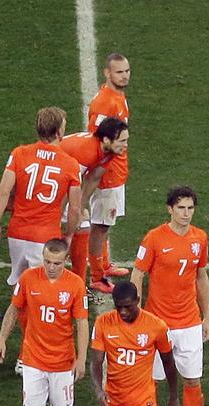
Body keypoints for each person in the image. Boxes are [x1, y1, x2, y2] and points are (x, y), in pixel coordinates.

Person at [0, 107, 82, 375]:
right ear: (59, 130)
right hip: (44, 237)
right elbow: (75, 208)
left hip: (17, 233)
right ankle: (26, 355)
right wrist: (70, 232)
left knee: (22, 292)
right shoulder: (69, 163)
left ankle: (24, 352)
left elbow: (4, 190)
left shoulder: (19, 154)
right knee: (40, 298)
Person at [0, 239, 89, 406]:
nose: (51, 267)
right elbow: (14, 309)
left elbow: (81, 322)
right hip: (34, 359)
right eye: (47, 261)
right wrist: (2, 339)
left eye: (57, 263)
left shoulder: (76, 284)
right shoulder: (28, 279)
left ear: (65, 261)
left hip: (63, 361)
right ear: (43, 258)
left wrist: (82, 358)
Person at [131, 186, 209, 406]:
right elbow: (138, 273)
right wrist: (137, 313)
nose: (186, 214)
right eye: (181, 208)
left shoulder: (199, 238)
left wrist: (207, 316)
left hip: (189, 322)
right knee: (151, 382)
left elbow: (201, 276)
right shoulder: (154, 238)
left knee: (193, 380)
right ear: (170, 209)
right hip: (158, 323)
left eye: (190, 208)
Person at [60, 117, 130, 284]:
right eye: (122, 141)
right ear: (106, 139)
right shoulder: (87, 152)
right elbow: (66, 182)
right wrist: (63, 213)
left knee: (81, 226)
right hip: (52, 181)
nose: (125, 145)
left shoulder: (108, 151)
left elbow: (93, 178)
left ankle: (77, 282)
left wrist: (81, 207)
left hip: (61, 179)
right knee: (68, 227)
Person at [86, 53, 131, 294]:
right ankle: (96, 276)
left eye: (126, 71)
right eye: (119, 72)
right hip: (108, 174)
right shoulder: (106, 103)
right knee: (100, 225)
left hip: (116, 171)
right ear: (107, 73)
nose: (124, 75)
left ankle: (103, 264)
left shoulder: (117, 97)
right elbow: (97, 140)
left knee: (106, 223)